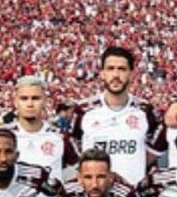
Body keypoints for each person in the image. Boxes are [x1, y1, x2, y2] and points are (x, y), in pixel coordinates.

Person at [68, 46, 166, 187]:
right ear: (102, 73)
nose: (116, 75)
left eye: (121, 69)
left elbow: (156, 148)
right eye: (110, 68)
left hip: (133, 196)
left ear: (131, 74)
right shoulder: (84, 110)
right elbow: (71, 144)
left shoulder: (145, 110)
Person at [8, 75, 67, 197]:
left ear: (45, 101)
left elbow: (83, 167)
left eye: (35, 98)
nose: (30, 104)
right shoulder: (5, 138)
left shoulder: (59, 138)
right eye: (24, 99)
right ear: (15, 101)